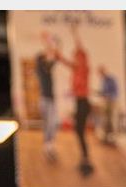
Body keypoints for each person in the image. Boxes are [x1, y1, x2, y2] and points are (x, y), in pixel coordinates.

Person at [54, 22, 93, 176]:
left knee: (79, 131)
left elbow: (79, 48)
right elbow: (64, 61)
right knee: (78, 131)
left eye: (76, 56)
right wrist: (58, 56)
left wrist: (74, 32)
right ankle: (85, 158)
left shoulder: (83, 67)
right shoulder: (76, 69)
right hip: (79, 103)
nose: (74, 58)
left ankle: (85, 158)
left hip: (83, 103)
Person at [36, 32, 59, 161]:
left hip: (48, 99)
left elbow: (53, 56)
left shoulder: (46, 69)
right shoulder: (41, 69)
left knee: (51, 124)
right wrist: (47, 41)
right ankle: (48, 146)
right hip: (46, 100)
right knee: (51, 123)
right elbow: (50, 54)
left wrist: (48, 42)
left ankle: (49, 146)